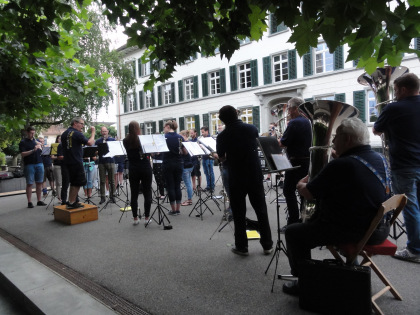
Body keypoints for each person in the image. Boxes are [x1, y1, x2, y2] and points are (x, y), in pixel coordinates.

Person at [283, 117, 391, 295]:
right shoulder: (379, 158)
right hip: (380, 228)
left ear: (347, 139)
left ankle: (304, 283)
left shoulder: (343, 165)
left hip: (357, 232)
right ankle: (351, 270)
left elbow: (307, 192)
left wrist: (304, 180)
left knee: (293, 232)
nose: (332, 141)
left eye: (336, 136)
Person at [373, 72, 420, 263]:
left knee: (410, 207)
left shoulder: (394, 108)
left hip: (404, 164)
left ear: (402, 89)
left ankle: (415, 250)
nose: (394, 94)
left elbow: (376, 129)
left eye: (395, 91)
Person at [216, 105, 273, 256]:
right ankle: (267, 244)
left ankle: (242, 246)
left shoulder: (223, 136)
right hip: (254, 174)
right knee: (261, 209)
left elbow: (221, 157)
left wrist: (217, 156)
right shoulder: (251, 128)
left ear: (222, 119)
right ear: (236, 114)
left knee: (239, 212)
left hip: (236, 177)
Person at [278, 97, 312, 229]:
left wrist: (275, 142)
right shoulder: (307, 121)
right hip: (306, 161)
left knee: (288, 190)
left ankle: (293, 221)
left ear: (296, 108)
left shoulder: (294, 123)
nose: (289, 112)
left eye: (290, 109)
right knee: (303, 191)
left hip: (295, 162)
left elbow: (283, 143)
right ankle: (304, 220)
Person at [61, 117, 95, 209]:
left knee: (74, 182)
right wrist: (93, 132)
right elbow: (90, 143)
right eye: (82, 124)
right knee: (79, 182)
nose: (83, 126)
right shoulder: (76, 133)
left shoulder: (64, 134)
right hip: (76, 161)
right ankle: (72, 202)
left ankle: (71, 201)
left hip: (67, 161)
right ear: (75, 123)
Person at [123, 121, 153, 225]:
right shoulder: (142, 139)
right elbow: (149, 153)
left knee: (134, 193)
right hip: (145, 167)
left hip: (133, 168)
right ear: (138, 128)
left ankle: (135, 218)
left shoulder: (125, 140)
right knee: (147, 192)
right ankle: (147, 217)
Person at [19, 126, 46, 208]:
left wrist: (42, 147)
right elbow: (23, 154)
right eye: (31, 133)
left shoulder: (36, 141)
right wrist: (33, 150)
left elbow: (42, 152)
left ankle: (39, 200)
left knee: (39, 182)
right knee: (30, 183)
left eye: (34, 133)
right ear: (27, 133)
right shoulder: (23, 142)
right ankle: (29, 202)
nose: (32, 135)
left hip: (39, 163)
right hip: (29, 164)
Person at [163, 120, 185, 215]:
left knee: (170, 186)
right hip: (178, 163)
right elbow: (185, 152)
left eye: (164, 127)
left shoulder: (164, 137)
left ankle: (173, 210)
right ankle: (178, 209)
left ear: (168, 126)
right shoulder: (180, 137)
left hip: (167, 163)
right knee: (177, 186)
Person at [95, 126, 116, 204]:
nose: (104, 133)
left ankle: (112, 196)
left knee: (112, 180)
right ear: (101, 132)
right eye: (103, 131)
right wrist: (98, 151)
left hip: (110, 161)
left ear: (108, 131)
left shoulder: (112, 140)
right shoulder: (98, 141)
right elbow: (95, 151)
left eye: (105, 131)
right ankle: (102, 197)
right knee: (102, 181)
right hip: (101, 162)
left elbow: (115, 149)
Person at [179, 130, 194, 206]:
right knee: (189, 183)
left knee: (187, 183)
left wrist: (180, 149)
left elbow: (185, 153)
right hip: (190, 164)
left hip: (185, 165)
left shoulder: (185, 144)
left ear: (184, 135)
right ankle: (190, 198)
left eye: (181, 136)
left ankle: (189, 200)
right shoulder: (190, 142)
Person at [200, 126, 215, 191]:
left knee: (210, 172)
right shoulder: (201, 139)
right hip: (204, 157)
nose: (202, 133)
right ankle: (208, 186)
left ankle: (212, 186)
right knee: (206, 173)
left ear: (207, 131)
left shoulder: (210, 138)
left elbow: (212, 148)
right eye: (201, 132)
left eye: (203, 132)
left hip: (209, 158)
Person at [52, 135, 63, 202]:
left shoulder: (64, 146)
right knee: (58, 182)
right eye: (59, 139)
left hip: (64, 165)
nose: (60, 140)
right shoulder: (54, 146)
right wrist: (59, 157)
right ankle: (59, 197)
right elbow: (52, 157)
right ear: (57, 139)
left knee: (64, 182)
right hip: (57, 165)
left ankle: (64, 196)